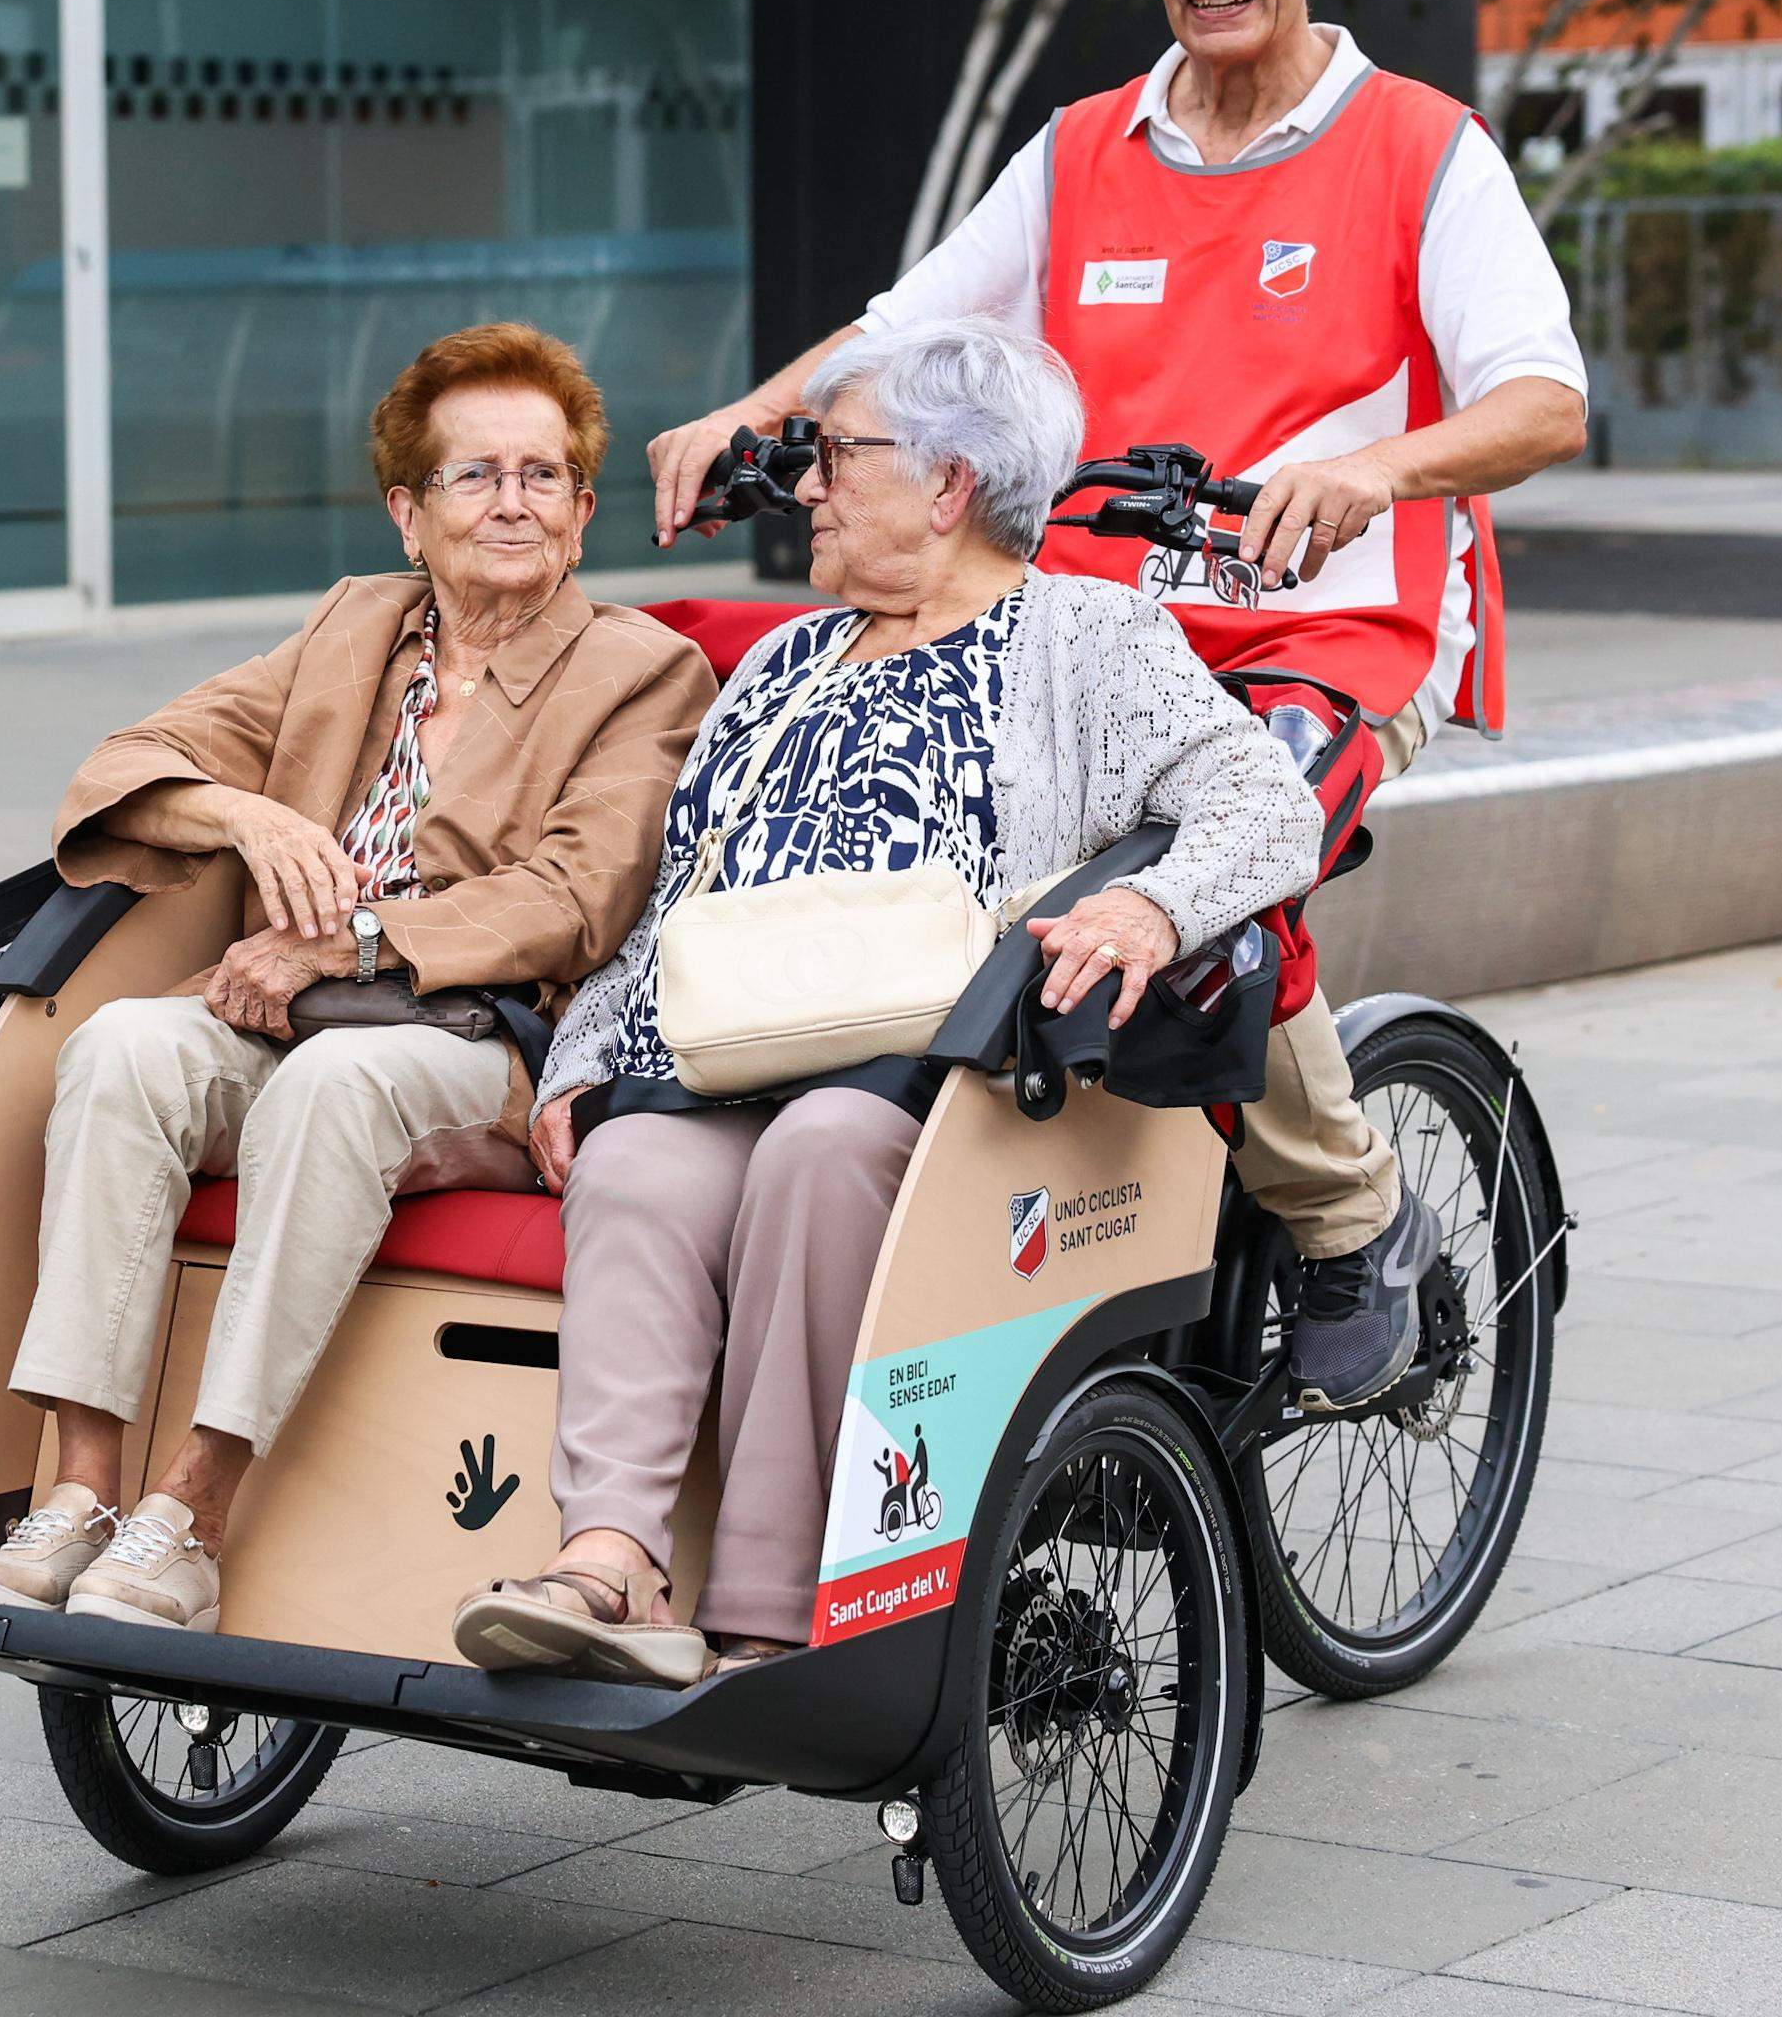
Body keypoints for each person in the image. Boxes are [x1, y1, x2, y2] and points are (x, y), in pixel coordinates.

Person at [642, 0, 1588, 1412]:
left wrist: (1382, 470)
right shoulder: (1086, 148)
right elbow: (902, 329)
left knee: (1211, 863)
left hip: (1335, 633)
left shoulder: (1423, 146)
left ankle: (1353, 1219)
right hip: (1098, 627)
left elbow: (1548, 401)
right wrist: (754, 412)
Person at [453, 316, 1319, 1685]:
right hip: (741, 1049)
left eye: (835, 456)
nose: (805, 486)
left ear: (948, 484)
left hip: (961, 1084)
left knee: (820, 1150)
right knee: (628, 1162)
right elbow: (685, 897)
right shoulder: (785, 664)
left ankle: (772, 1614)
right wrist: (585, 1052)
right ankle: (607, 1562)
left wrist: (1145, 904)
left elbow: (1268, 802)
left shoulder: (1086, 637)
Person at [0, 323, 717, 1632]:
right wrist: (246, 821)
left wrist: (356, 943)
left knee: (335, 1087)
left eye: (542, 476)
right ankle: (78, 1495)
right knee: (121, 1047)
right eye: (476, 476)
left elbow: (576, 896)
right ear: (410, 514)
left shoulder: (643, 671)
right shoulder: (352, 626)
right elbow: (127, 766)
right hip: (275, 1007)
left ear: (585, 513)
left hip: (473, 1029)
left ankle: (189, 1512)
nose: (513, 501)